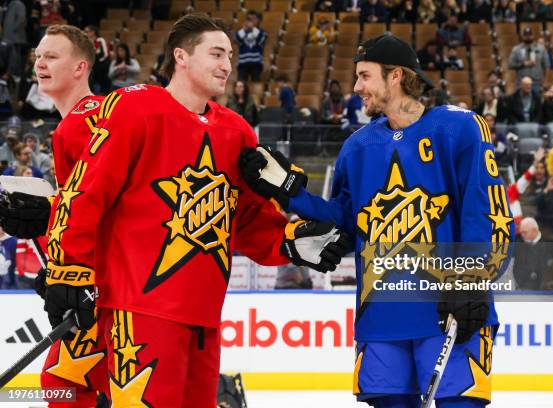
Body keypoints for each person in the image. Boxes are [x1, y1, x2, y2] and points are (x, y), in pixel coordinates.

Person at [28, 14, 348, 407]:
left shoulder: (237, 132)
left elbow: (245, 220)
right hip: (140, 308)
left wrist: (291, 242)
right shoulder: (135, 109)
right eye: (216, 53)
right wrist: (69, 269)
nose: (227, 65)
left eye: (229, 55)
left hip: (205, 315)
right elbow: (85, 193)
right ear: (181, 56)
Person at [240, 34, 514, 408]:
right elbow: (345, 223)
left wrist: (470, 280)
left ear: (396, 76)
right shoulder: (358, 146)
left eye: (365, 76)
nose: (356, 88)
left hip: (448, 307)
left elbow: (487, 211)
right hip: (381, 314)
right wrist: (290, 190)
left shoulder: (460, 128)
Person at [0, 24, 110, 407]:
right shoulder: (84, 121)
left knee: (63, 385)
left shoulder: (83, 123)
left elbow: (97, 209)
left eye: (51, 56)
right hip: (104, 285)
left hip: (100, 291)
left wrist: (74, 273)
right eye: (37, 56)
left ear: (81, 67)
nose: (39, 63)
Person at [508, 27, 549, 94]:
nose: (528, 37)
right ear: (523, 36)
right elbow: (510, 64)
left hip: (537, 83)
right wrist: (523, 64)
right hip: (521, 83)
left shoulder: (541, 48)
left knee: (537, 103)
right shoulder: (516, 49)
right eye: (526, 35)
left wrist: (545, 82)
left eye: (530, 34)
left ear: (533, 35)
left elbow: (546, 66)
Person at [235, 10, 267, 81]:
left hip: (256, 63)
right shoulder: (242, 31)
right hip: (243, 62)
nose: (251, 21)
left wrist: (253, 28)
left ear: (258, 20)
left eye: (253, 18)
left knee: (256, 83)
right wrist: (244, 29)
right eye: (249, 19)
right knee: (241, 83)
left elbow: (261, 40)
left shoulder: (262, 32)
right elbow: (237, 39)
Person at [84, 25, 111, 94]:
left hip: (101, 65)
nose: (85, 33)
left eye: (87, 31)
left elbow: (105, 54)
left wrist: (97, 62)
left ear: (93, 32)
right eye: (85, 32)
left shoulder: (100, 40)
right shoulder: (86, 42)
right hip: (92, 66)